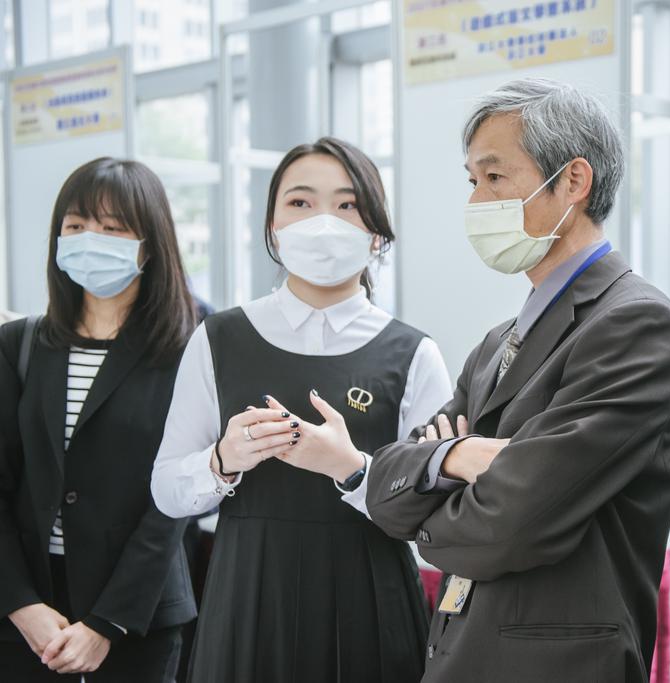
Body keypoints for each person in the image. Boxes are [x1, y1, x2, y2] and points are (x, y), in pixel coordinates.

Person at [366, 78, 670, 683]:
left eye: (494, 176)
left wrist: (428, 508)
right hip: (460, 655)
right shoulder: (497, 342)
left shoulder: (633, 322)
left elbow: (511, 526)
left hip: (557, 664)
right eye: (471, 181)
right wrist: (457, 456)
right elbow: (385, 486)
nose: (477, 199)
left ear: (573, 181)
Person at [150, 136, 452, 683]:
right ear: (272, 226)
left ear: (377, 232)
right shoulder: (218, 338)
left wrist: (354, 470)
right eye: (300, 202)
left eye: (347, 204)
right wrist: (222, 460)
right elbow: (167, 490)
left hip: (371, 600)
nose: (323, 222)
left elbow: (440, 525)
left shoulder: (413, 354)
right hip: (248, 598)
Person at [0, 158, 201, 681]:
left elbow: (174, 503)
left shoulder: (190, 352)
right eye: (76, 226)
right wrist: (20, 604)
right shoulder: (18, 344)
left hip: (137, 614)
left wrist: (107, 621)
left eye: (113, 228)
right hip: (28, 610)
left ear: (150, 245)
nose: (91, 240)